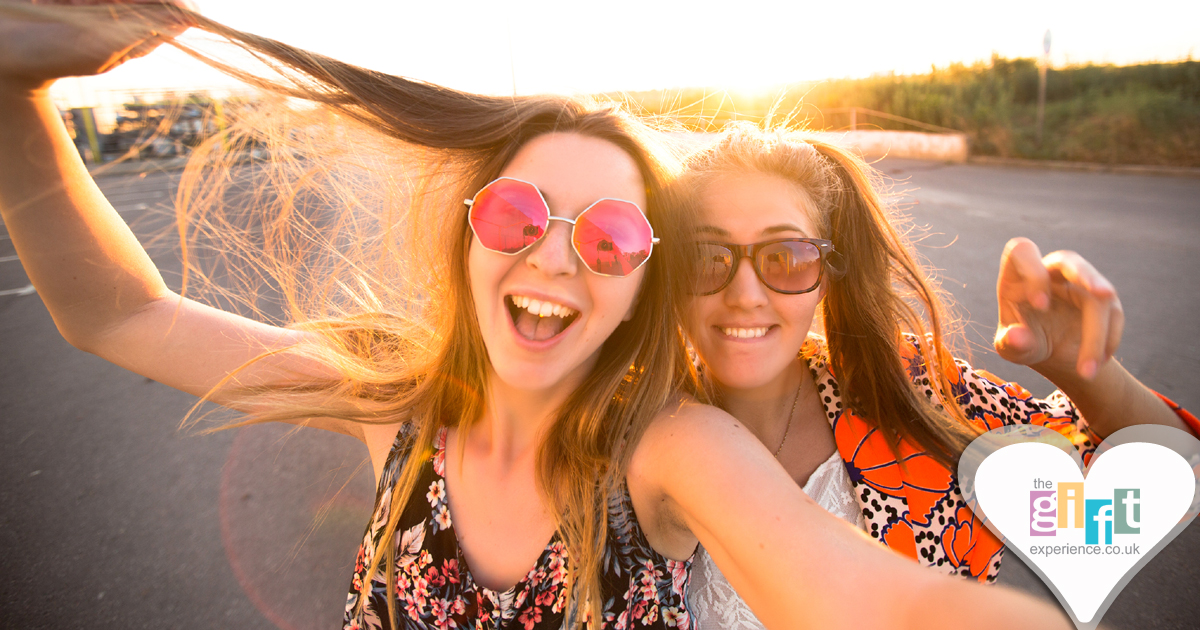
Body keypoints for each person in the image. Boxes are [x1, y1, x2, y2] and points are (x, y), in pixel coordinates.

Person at [0, 3, 1076, 629]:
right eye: (519, 212)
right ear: (468, 233)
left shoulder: (669, 448)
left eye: (608, 237)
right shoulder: (393, 403)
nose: (554, 254)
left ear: (641, 281)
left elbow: (872, 605)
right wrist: (14, 88)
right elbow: (119, 313)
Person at [675, 124, 1200, 630]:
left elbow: (1162, 482)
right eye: (704, 256)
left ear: (825, 280)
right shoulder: (618, 431)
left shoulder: (909, 391)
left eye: (787, 257)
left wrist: (1080, 369)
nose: (745, 294)